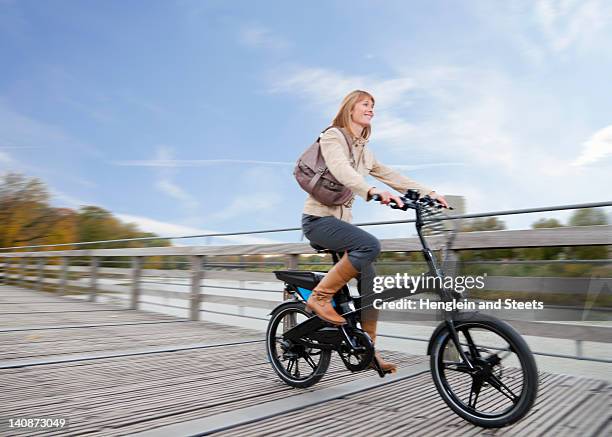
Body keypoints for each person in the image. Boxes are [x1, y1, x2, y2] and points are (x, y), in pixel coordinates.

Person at [301, 89, 448, 373]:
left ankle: (367, 350)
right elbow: (341, 169)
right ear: (350, 110)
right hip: (318, 220)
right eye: (365, 104)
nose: (371, 109)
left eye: (373, 106)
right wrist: (370, 190)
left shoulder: (365, 151)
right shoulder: (333, 136)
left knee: (372, 286)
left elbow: (391, 175)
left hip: (341, 226)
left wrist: (428, 193)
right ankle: (320, 297)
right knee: (370, 245)